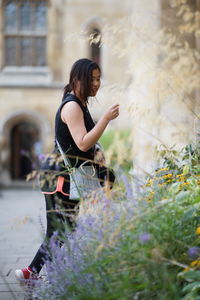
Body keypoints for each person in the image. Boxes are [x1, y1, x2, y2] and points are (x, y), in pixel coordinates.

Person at [15, 58, 120, 283]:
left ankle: (31, 274)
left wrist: (98, 155)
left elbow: (84, 146)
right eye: (92, 79)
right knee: (58, 230)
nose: (97, 83)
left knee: (65, 229)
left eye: (99, 79)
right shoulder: (72, 106)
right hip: (59, 177)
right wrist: (105, 119)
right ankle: (32, 274)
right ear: (77, 78)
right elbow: (82, 143)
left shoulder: (80, 104)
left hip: (67, 176)